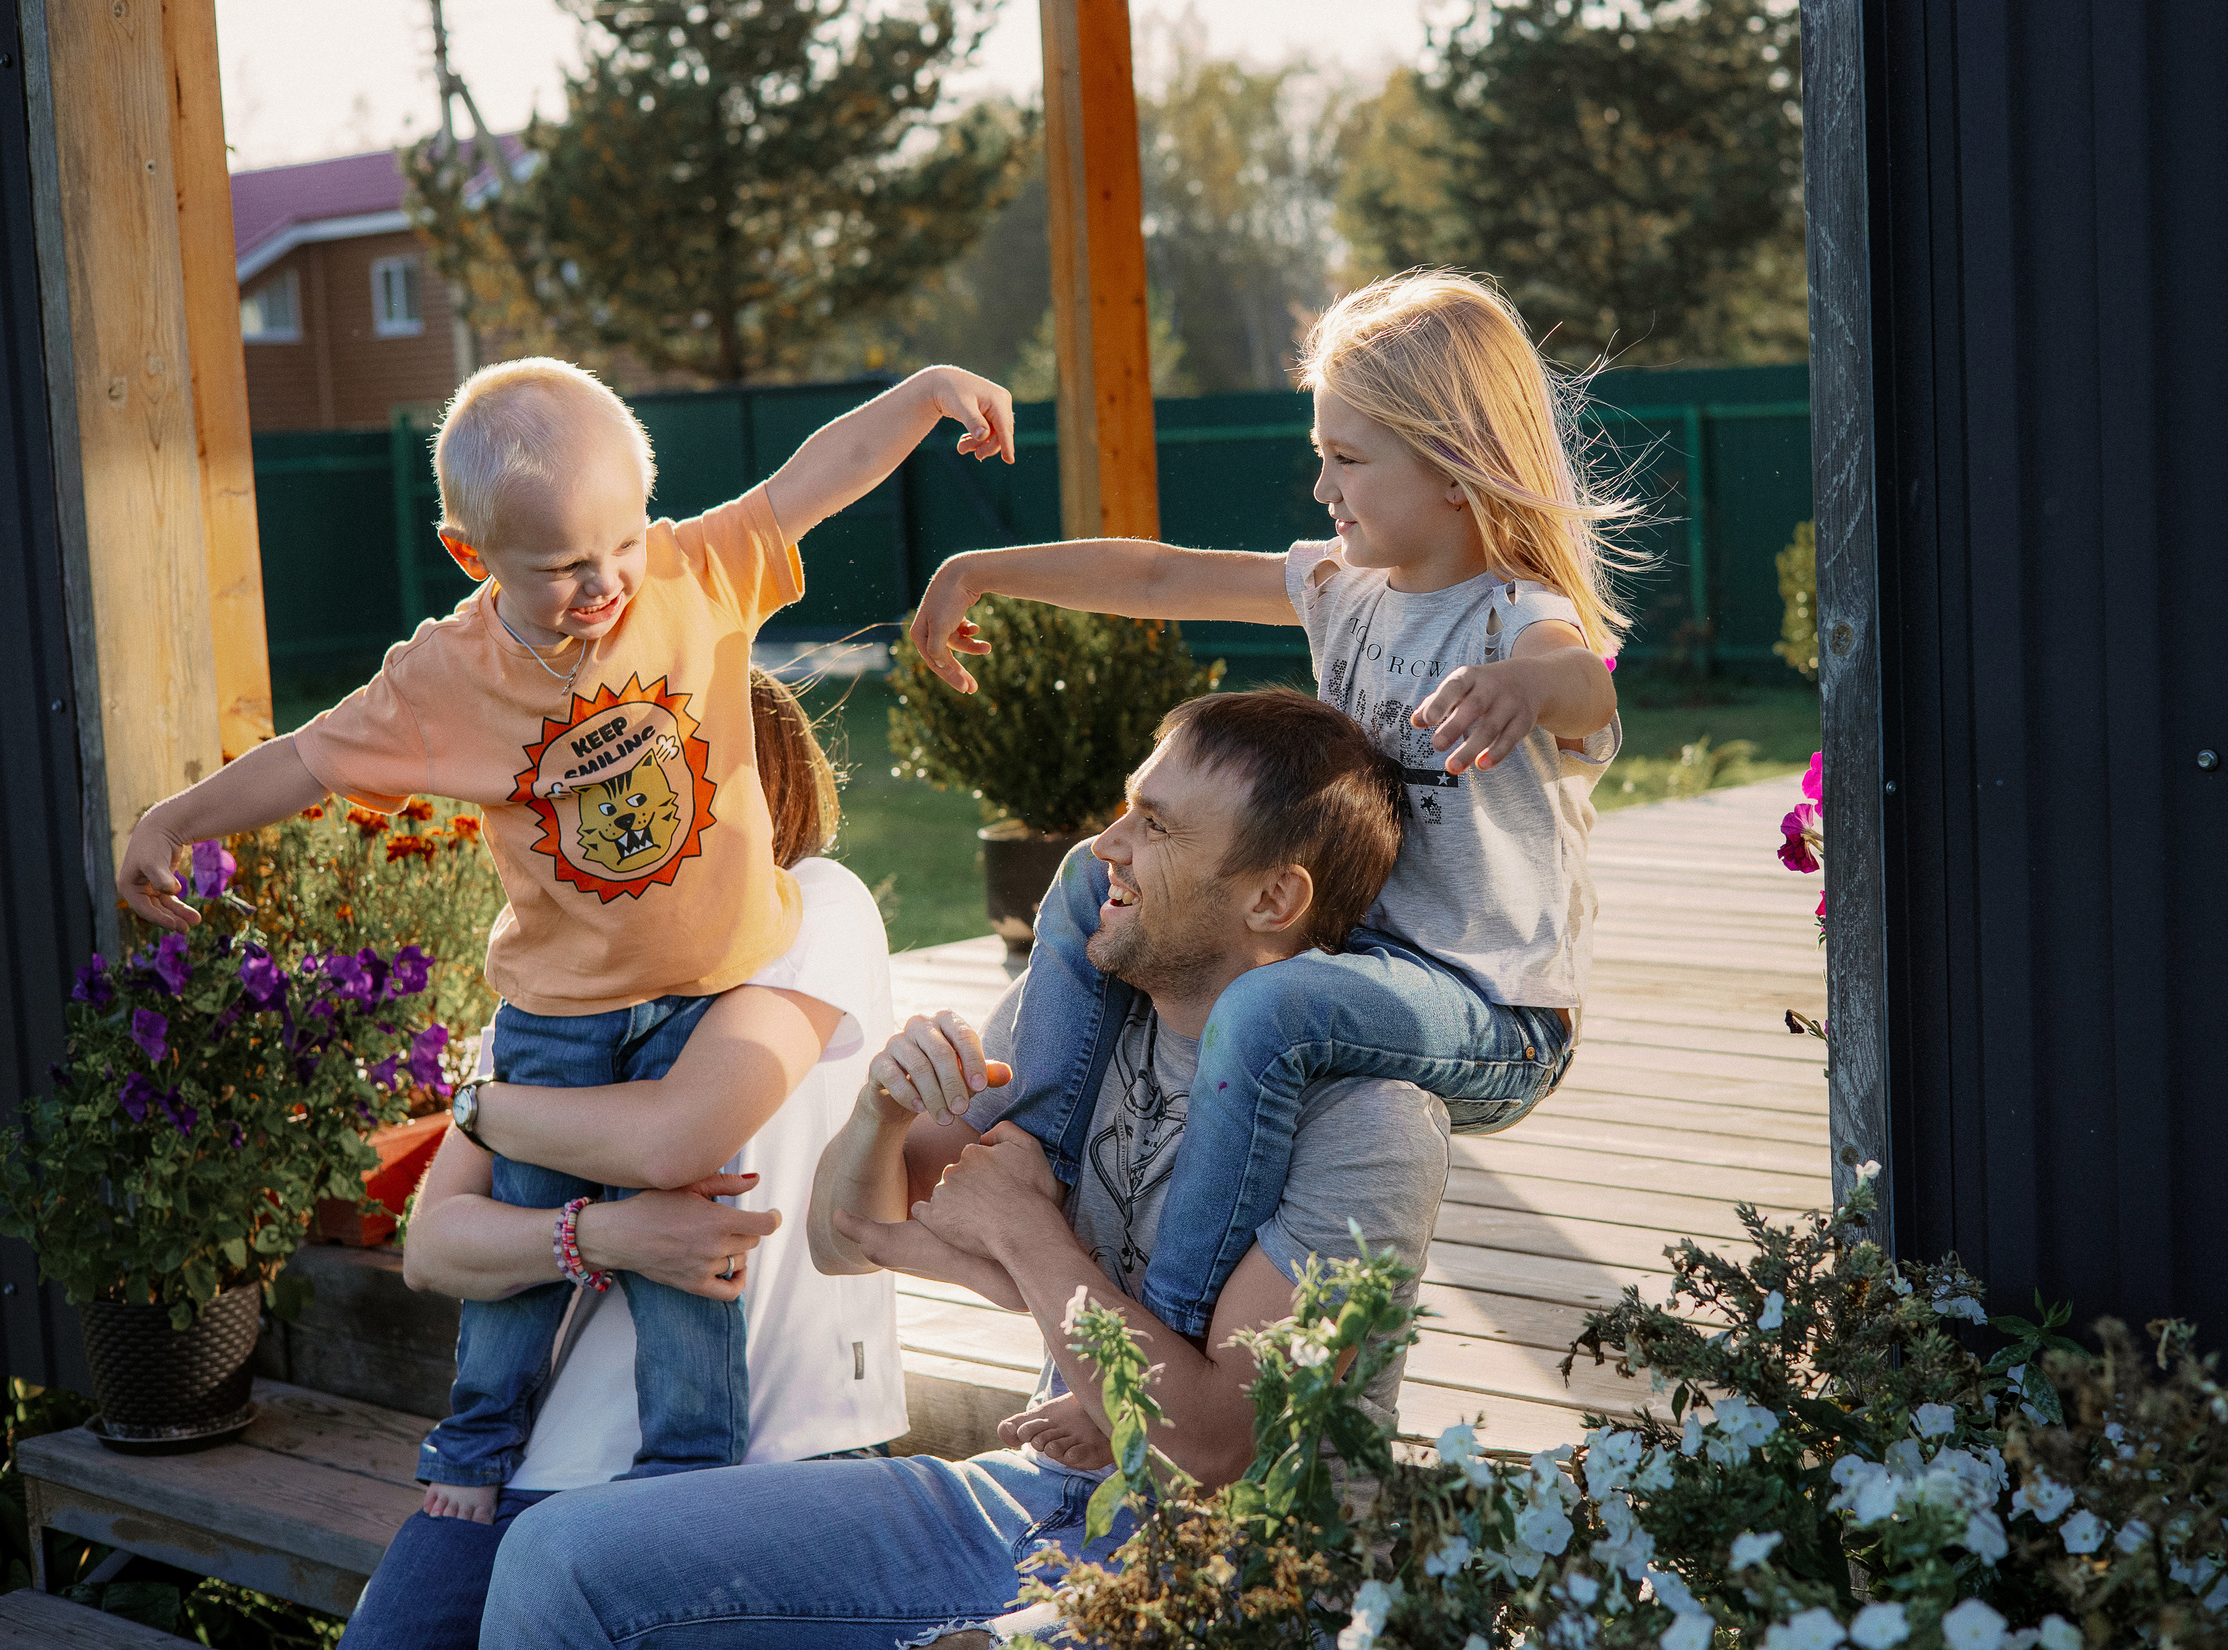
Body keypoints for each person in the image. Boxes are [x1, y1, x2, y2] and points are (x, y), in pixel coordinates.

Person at [113, 356, 1013, 1510]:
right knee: (517, 1280)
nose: (604, 585)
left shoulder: (692, 575)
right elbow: (305, 758)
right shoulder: (449, 676)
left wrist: (928, 392)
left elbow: (812, 480)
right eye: (564, 568)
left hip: (704, 1006)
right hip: (560, 1019)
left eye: (620, 547)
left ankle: (685, 1478)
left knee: (697, 1267)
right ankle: (474, 1452)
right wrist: (176, 819)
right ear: (469, 556)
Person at [479, 688, 1453, 1649]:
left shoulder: (1371, 1127)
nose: (1105, 846)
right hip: (1036, 1500)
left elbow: (1208, 1444)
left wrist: (1025, 1229)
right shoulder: (1079, 1027)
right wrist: (879, 1112)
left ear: (1273, 896)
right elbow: (845, 1238)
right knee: (555, 1558)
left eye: (1154, 827)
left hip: (1229, 1566)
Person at [897, 269, 1627, 1339]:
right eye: (1319, 454)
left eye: (1347, 460)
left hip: (1493, 1015)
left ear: (1458, 471)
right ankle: (1037, 1167)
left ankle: (1165, 1322)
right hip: (1351, 969)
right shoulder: (1345, 589)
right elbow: (1157, 580)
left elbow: (1586, 683)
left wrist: (1523, 688)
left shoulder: (1519, 620)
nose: (1323, 486)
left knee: (1265, 1009)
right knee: (1080, 880)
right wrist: (980, 568)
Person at [341, 670, 908, 1650]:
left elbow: (674, 1136)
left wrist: (480, 1110)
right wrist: (603, 1233)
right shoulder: (570, 968)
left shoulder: (814, 904)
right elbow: (437, 1248)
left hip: (772, 1457)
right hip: (530, 1463)